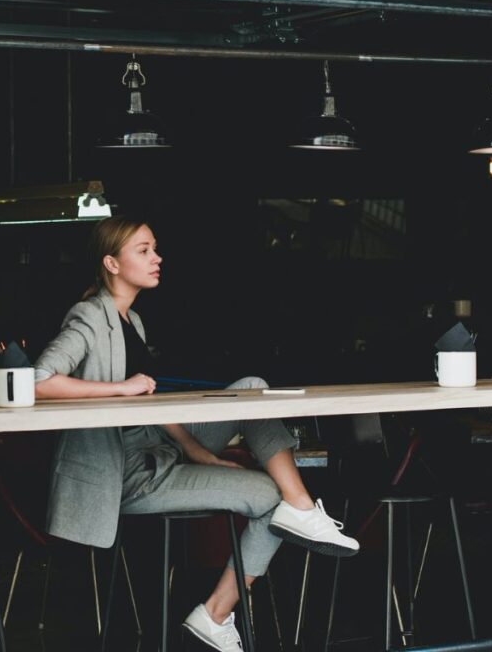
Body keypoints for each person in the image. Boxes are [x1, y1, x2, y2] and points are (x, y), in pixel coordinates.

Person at [34, 215, 359, 652]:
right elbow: (37, 381)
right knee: (268, 497)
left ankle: (302, 506)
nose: (157, 258)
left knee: (251, 388)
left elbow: (147, 403)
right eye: (144, 250)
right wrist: (119, 388)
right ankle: (217, 613)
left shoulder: (133, 321)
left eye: (155, 248)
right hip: (128, 473)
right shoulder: (90, 316)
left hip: (159, 447)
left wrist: (194, 448)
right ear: (112, 263)